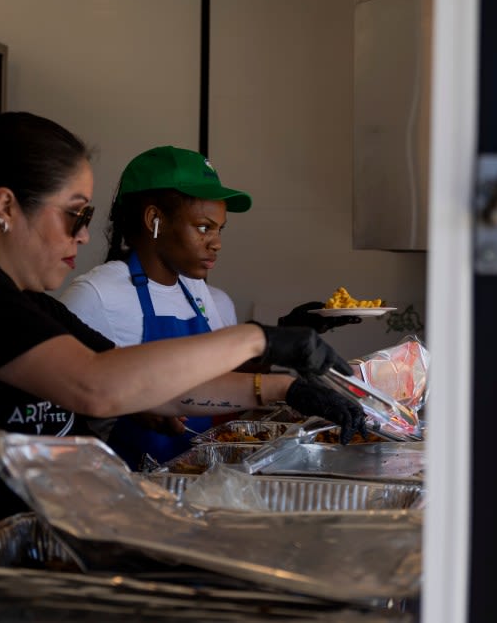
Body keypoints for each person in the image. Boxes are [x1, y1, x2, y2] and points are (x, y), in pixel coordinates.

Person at [0, 113, 365, 568]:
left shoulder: (31, 302)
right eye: (74, 215)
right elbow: (95, 385)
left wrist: (283, 390)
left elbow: (141, 383)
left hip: (17, 548)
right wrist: (259, 340)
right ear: (6, 207)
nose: (85, 234)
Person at [59, 145, 364, 467]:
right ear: (154, 220)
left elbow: (225, 377)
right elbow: (65, 401)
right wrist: (135, 407)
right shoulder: (95, 296)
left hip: (192, 476)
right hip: (127, 484)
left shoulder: (196, 289)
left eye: (220, 230)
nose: (216, 242)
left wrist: (286, 337)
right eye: (203, 227)